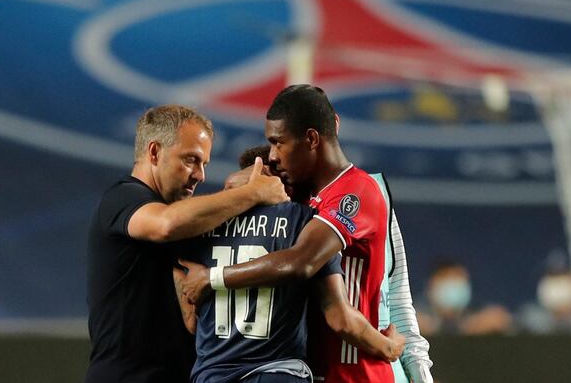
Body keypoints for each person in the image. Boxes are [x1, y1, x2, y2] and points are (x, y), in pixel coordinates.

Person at [181, 85, 433, 383]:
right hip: (313, 372)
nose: (273, 156)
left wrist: (214, 278)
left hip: (358, 373)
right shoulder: (295, 200)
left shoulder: (358, 191)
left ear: (312, 138)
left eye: (279, 143)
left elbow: (305, 262)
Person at [85, 104, 288, 383]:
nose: (200, 175)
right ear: (154, 152)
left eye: (204, 164)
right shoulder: (123, 199)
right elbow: (166, 224)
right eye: (191, 160)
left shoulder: (187, 220)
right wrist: (253, 193)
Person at [174, 148, 405, 383]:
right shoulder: (305, 223)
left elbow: (191, 321)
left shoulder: (198, 228)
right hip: (278, 373)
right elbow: (339, 317)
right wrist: (389, 347)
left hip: (213, 375)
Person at [416, 261, 511, 336]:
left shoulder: (479, 313)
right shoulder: (412, 314)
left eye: (457, 277)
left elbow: (501, 319)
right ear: (430, 285)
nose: (452, 285)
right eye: (445, 277)